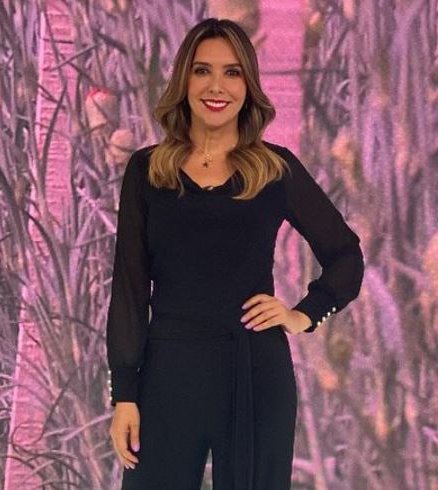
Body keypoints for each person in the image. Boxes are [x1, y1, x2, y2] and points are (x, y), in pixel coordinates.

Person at [106, 18, 364, 490]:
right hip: (168, 373)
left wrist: (303, 315)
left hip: (255, 373)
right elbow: (129, 285)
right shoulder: (147, 171)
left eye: (232, 72)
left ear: (248, 85)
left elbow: (346, 255)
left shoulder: (276, 169)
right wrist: (124, 393)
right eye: (203, 70)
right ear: (184, 80)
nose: (217, 86)